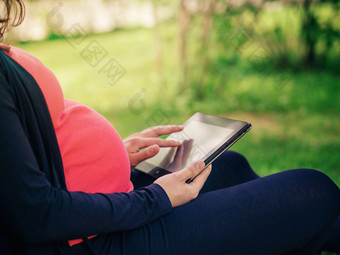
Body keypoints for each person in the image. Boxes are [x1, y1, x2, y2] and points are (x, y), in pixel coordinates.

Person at [0, 1, 339, 254]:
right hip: (84, 241)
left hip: (90, 212)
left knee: (227, 166)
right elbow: (35, 214)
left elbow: (23, 154)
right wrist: (157, 198)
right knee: (313, 190)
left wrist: (114, 152)